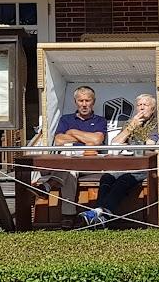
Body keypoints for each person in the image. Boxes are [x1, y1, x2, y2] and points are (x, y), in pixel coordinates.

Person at [80, 93, 159, 228]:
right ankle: (102, 217)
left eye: (145, 105)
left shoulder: (156, 124)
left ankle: (99, 213)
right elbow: (115, 143)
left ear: (153, 109)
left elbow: (150, 146)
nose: (141, 108)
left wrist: (130, 145)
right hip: (127, 163)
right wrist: (130, 127)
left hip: (146, 165)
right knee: (107, 177)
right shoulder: (131, 122)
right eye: (139, 105)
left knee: (124, 180)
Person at [37, 85, 107, 221]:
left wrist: (72, 132)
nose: (84, 104)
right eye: (81, 101)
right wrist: (86, 138)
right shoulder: (66, 119)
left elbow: (97, 140)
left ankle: (48, 187)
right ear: (75, 102)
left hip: (89, 160)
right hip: (69, 158)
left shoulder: (100, 120)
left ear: (94, 102)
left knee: (70, 167)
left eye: (88, 101)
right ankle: (68, 216)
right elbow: (58, 140)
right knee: (70, 172)